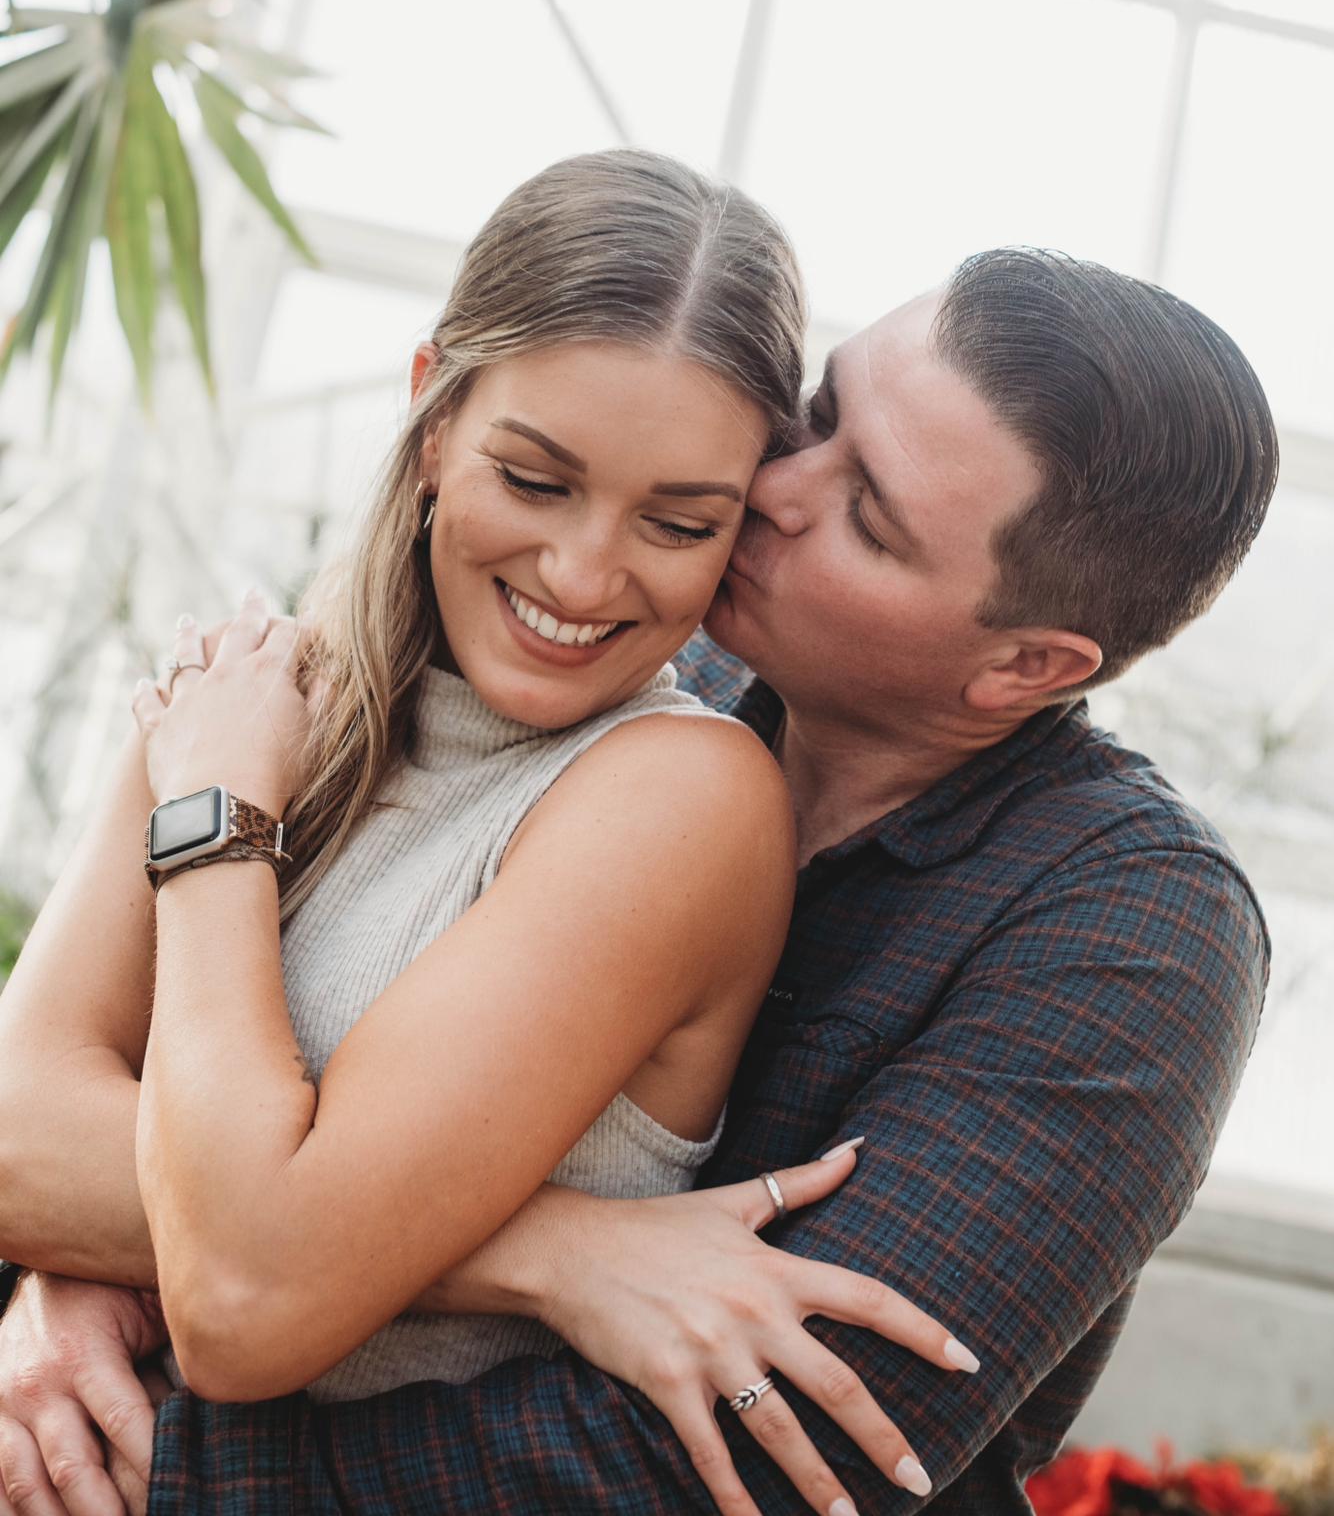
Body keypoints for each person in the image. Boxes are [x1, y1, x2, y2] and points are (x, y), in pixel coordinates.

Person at [0, 242, 1275, 1516]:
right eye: (817, 412)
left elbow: (766, 1451)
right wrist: (548, 1249)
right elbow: (152, 1143)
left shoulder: (1137, 934)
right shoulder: (604, 654)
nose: (769, 485)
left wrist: (162, 1460)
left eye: (867, 516)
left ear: (1023, 667)